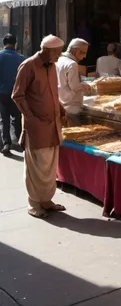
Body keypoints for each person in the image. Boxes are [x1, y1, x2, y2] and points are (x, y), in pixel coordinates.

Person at [12, 35, 67, 219]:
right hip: (36, 127)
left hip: (53, 125)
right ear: (48, 50)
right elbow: (17, 95)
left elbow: (53, 93)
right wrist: (30, 118)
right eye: (58, 52)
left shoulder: (52, 67)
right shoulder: (28, 66)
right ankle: (34, 203)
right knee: (36, 166)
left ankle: (46, 201)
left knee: (50, 166)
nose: (60, 56)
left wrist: (61, 109)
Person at [0, 34, 25, 156]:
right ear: (15, 43)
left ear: (4, 43)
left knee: (4, 118)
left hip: (2, 93)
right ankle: (20, 141)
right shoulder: (22, 58)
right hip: (17, 93)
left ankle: (6, 143)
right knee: (17, 117)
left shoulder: (0, 56)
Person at [56, 38, 90, 125]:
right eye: (84, 53)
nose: (85, 57)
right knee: (74, 136)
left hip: (61, 104)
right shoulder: (72, 64)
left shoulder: (59, 60)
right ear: (77, 51)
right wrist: (85, 85)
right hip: (72, 107)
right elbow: (75, 86)